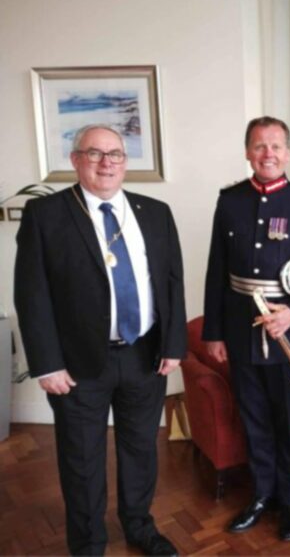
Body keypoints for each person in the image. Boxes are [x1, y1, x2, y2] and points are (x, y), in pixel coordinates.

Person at [14, 124, 187, 556]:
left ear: (126, 162)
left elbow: (171, 283)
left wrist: (174, 345)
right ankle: (89, 543)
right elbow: (31, 294)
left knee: (141, 451)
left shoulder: (155, 211)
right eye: (95, 153)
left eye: (115, 154)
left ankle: (139, 527)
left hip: (145, 355)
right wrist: (47, 363)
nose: (107, 162)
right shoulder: (47, 215)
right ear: (75, 160)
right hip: (76, 364)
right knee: (82, 460)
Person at [202, 116, 290, 541]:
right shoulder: (229, 201)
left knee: (288, 420)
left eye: (276, 146)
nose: (268, 154)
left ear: (288, 152)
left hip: (287, 333)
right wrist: (214, 332)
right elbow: (216, 271)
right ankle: (262, 494)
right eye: (260, 146)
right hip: (239, 328)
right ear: (248, 151)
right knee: (253, 416)